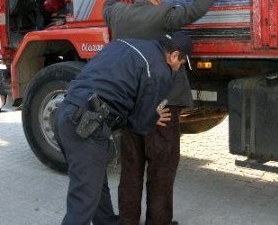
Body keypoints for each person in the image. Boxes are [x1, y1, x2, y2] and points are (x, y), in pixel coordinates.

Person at [103, 0, 229, 225]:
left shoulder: (117, 14)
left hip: (130, 104)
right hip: (161, 107)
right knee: (161, 170)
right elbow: (196, 9)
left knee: (131, 171)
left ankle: (127, 221)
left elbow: (107, 5)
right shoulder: (162, 15)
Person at [53, 32, 193, 225]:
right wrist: (153, 116)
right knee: (83, 201)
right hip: (87, 126)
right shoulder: (161, 70)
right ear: (174, 56)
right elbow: (140, 123)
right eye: (181, 64)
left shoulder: (124, 43)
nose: (177, 69)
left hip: (65, 114)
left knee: (95, 185)